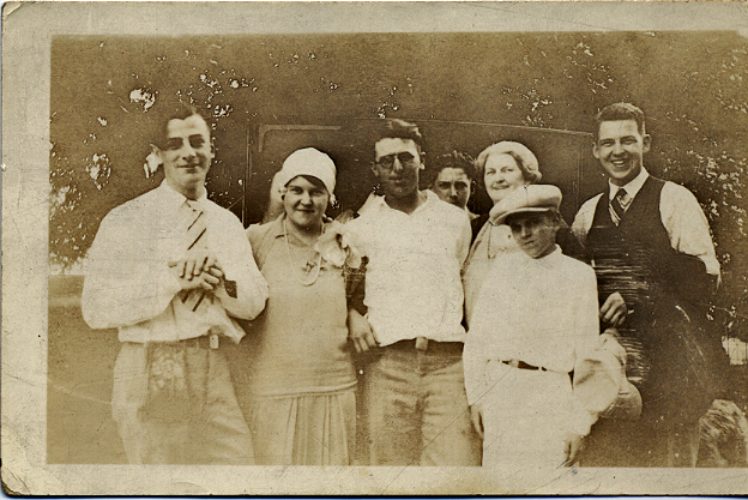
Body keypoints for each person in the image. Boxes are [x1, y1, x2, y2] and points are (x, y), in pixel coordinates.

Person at [81, 106, 268, 464]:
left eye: (198, 142)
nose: (188, 153)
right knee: (161, 481)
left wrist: (216, 282)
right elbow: (96, 308)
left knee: (237, 469)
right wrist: (173, 280)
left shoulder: (225, 223)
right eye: (175, 144)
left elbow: (254, 302)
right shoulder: (127, 220)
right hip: (153, 360)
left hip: (213, 362)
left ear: (212, 150)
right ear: (159, 153)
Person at [571, 102, 727, 466]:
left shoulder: (674, 200)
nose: (618, 151)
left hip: (670, 368)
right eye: (608, 143)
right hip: (612, 370)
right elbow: (577, 281)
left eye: (628, 140)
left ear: (646, 143)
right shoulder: (587, 213)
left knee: (668, 474)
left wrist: (639, 296)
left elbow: (707, 280)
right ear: (595, 150)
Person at [345, 119, 481, 465]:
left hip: (448, 366)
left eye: (406, 158)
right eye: (387, 161)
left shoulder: (454, 220)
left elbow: (462, 277)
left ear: (421, 158)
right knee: (391, 475)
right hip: (389, 364)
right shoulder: (361, 229)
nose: (397, 168)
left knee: (454, 474)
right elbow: (344, 291)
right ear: (375, 168)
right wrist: (351, 317)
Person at [463, 185, 603, 468]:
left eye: (533, 224)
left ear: (554, 221)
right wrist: (476, 396)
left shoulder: (579, 275)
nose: (524, 234)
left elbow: (588, 354)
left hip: (549, 393)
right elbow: (478, 339)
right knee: (499, 483)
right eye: (516, 228)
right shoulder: (502, 270)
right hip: (501, 389)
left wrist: (580, 423)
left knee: (549, 482)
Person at [236, 147, 360, 465]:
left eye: (316, 192)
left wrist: (355, 313)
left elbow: (356, 298)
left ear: (329, 197)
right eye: (297, 190)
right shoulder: (256, 240)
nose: (305, 200)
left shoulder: (348, 244)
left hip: (334, 387)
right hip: (274, 389)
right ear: (284, 193)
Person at [463, 141, 541, 325]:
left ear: (527, 177)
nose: (498, 179)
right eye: (491, 172)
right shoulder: (475, 227)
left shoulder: (547, 224)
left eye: (507, 170)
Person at [429, 150, 478, 220]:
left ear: (472, 188)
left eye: (460, 186)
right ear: (431, 190)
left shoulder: (483, 227)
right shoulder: (424, 226)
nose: (453, 194)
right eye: (445, 186)